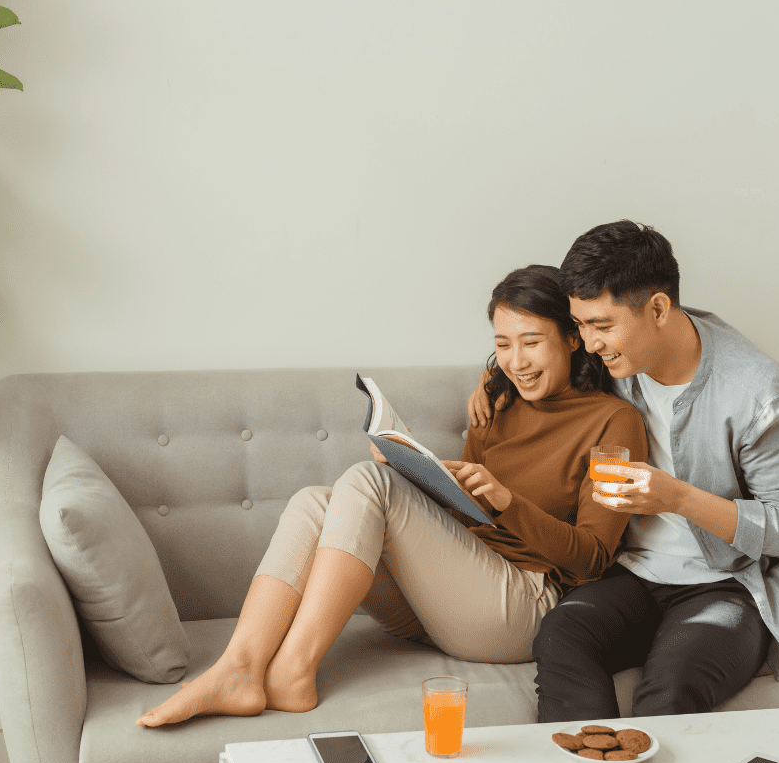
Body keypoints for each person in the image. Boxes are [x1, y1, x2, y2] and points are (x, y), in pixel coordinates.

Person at [137, 264, 646, 727]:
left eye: (531, 342)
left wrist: (509, 503)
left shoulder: (612, 421)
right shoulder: (498, 401)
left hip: (523, 606)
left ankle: (293, 670)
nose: (517, 360)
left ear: (574, 338)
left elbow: (592, 561)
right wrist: (421, 477)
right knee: (316, 501)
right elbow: (467, 518)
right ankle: (238, 668)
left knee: (366, 482)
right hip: (447, 601)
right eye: (503, 344)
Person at [467, 221, 779, 722]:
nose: (588, 344)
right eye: (581, 325)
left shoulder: (761, 396)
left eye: (602, 326)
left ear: (658, 308)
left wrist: (677, 498)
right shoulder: (614, 365)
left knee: (670, 691)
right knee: (562, 636)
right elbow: (536, 358)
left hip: (721, 585)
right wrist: (493, 379)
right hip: (630, 575)